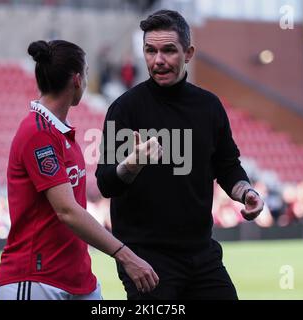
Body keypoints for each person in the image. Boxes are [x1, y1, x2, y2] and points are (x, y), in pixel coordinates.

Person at [96, 10, 264, 300]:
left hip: (202, 255)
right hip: (147, 260)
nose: (158, 60)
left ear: (188, 53)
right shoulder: (125, 110)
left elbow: (227, 165)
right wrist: (132, 163)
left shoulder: (209, 107)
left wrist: (245, 191)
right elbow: (106, 183)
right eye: (150, 50)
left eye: (168, 50)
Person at [0, 40, 158, 300]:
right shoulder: (37, 132)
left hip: (78, 279)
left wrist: (132, 163)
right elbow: (67, 210)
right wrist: (126, 255)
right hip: (37, 279)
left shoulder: (59, 129)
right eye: (87, 72)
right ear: (77, 80)